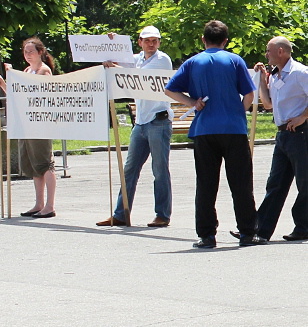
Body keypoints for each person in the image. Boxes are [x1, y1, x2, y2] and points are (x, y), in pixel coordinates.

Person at [164, 20, 265, 248]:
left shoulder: (192, 62)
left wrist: (192, 101)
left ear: (203, 39)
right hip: (233, 128)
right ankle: (248, 232)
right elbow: (249, 94)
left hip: (204, 129)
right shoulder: (234, 60)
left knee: (206, 183)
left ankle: (207, 235)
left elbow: (170, 89)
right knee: (240, 183)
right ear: (225, 41)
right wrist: (239, 111)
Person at [231, 36, 307, 241]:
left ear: (281, 51)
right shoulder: (274, 75)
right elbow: (268, 104)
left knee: (305, 182)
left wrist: (303, 116)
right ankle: (259, 230)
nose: (266, 55)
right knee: (275, 184)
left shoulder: (300, 72)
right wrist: (263, 80)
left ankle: (303, 226)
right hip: (283, 134)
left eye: (268, 51)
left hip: (302, 132)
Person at [96, 25, 173, 227]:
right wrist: (111, 42)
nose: (151, 43)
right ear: (140, 42)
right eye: (147, 40)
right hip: (141, 122)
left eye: (155, 40)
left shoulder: (162, 59)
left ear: (159, 42)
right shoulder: (136, 58)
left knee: (160, 170)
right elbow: (116, 59)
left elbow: (138, 77)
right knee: (129, 170)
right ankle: (121, 213)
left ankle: (163, 214)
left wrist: (116, 68)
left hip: (159, 120)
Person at [0, 37, 57, 218]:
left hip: (40, 121)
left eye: (31, 51)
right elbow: (18, 94)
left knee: (44, 162)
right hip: (27, 121)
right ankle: (39, 203)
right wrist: (3, 82)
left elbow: (36, 91)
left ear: (40, 52)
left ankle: (49, 205)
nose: (28, 55)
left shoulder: (43, 71)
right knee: (33, 164)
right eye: (25, 51)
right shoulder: (27, 70)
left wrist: (15, 75)